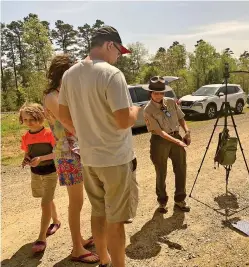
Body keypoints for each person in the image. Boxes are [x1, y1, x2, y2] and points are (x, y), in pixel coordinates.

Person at [58, 25, 140, 267]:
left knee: (98, 211)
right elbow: (124, 120)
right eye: (119, 52)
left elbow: (63, 116)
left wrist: (85, 134)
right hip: (115, 158)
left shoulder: (69, 75)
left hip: (89, 158)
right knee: (116, 220)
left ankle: (103, 258)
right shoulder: (112, 74)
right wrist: (136, 111)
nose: (119, 57)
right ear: (109, 45)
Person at [43, 55, 99, 264]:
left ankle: (80, 240)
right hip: (67, 154)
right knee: (76, 202)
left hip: (76, 151)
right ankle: (76, 248)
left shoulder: (65, 93)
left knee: (79, 201)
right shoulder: (51, 96)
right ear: (64, 73)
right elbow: (70, 123)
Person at [143, 76, 191, 214]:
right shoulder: (148, 109)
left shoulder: (170, 102)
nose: (158, 95)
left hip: (176, 136)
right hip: (160, 141)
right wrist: (178, 142)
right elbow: (159, 132)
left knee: (181, 169)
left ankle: (180, 200)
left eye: (161, 92)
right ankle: (162, 202)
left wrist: (187, 131)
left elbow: (181, 117)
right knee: (161, 172)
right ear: (150, 93)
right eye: (155, 93)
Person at [19, 103, 60, 254]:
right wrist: (26, 160)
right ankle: (56, 221)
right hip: (35, 172)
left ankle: (42, 237)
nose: (29, 123)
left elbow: (57, 152)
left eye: (33, 119)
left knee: (45, 204)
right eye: (25, 119)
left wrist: (42, 158)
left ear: (41, 118)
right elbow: (27, 153)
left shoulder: (49, 134)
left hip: (50, 172)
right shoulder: (25, 137)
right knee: (46, 199)